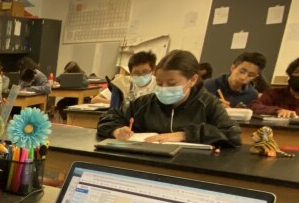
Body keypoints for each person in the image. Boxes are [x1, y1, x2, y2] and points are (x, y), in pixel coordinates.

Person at [97, 49, 241, 146]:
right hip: (146, 163)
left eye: (172, 83)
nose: (164, 88)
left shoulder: (207, 103)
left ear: (192, 80)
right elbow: (108, 119)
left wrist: (184, 135)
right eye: (159, 83)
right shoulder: (145, 103)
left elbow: (232, 134)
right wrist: (116, 131)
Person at [89, 50, 157, 106]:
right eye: (136, 73)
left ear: (153, 70)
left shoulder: (158, 84)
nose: (140, 75)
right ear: (130, 72)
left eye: (145, 72)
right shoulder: (123, 83)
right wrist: (120, 104)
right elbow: (95, 100)